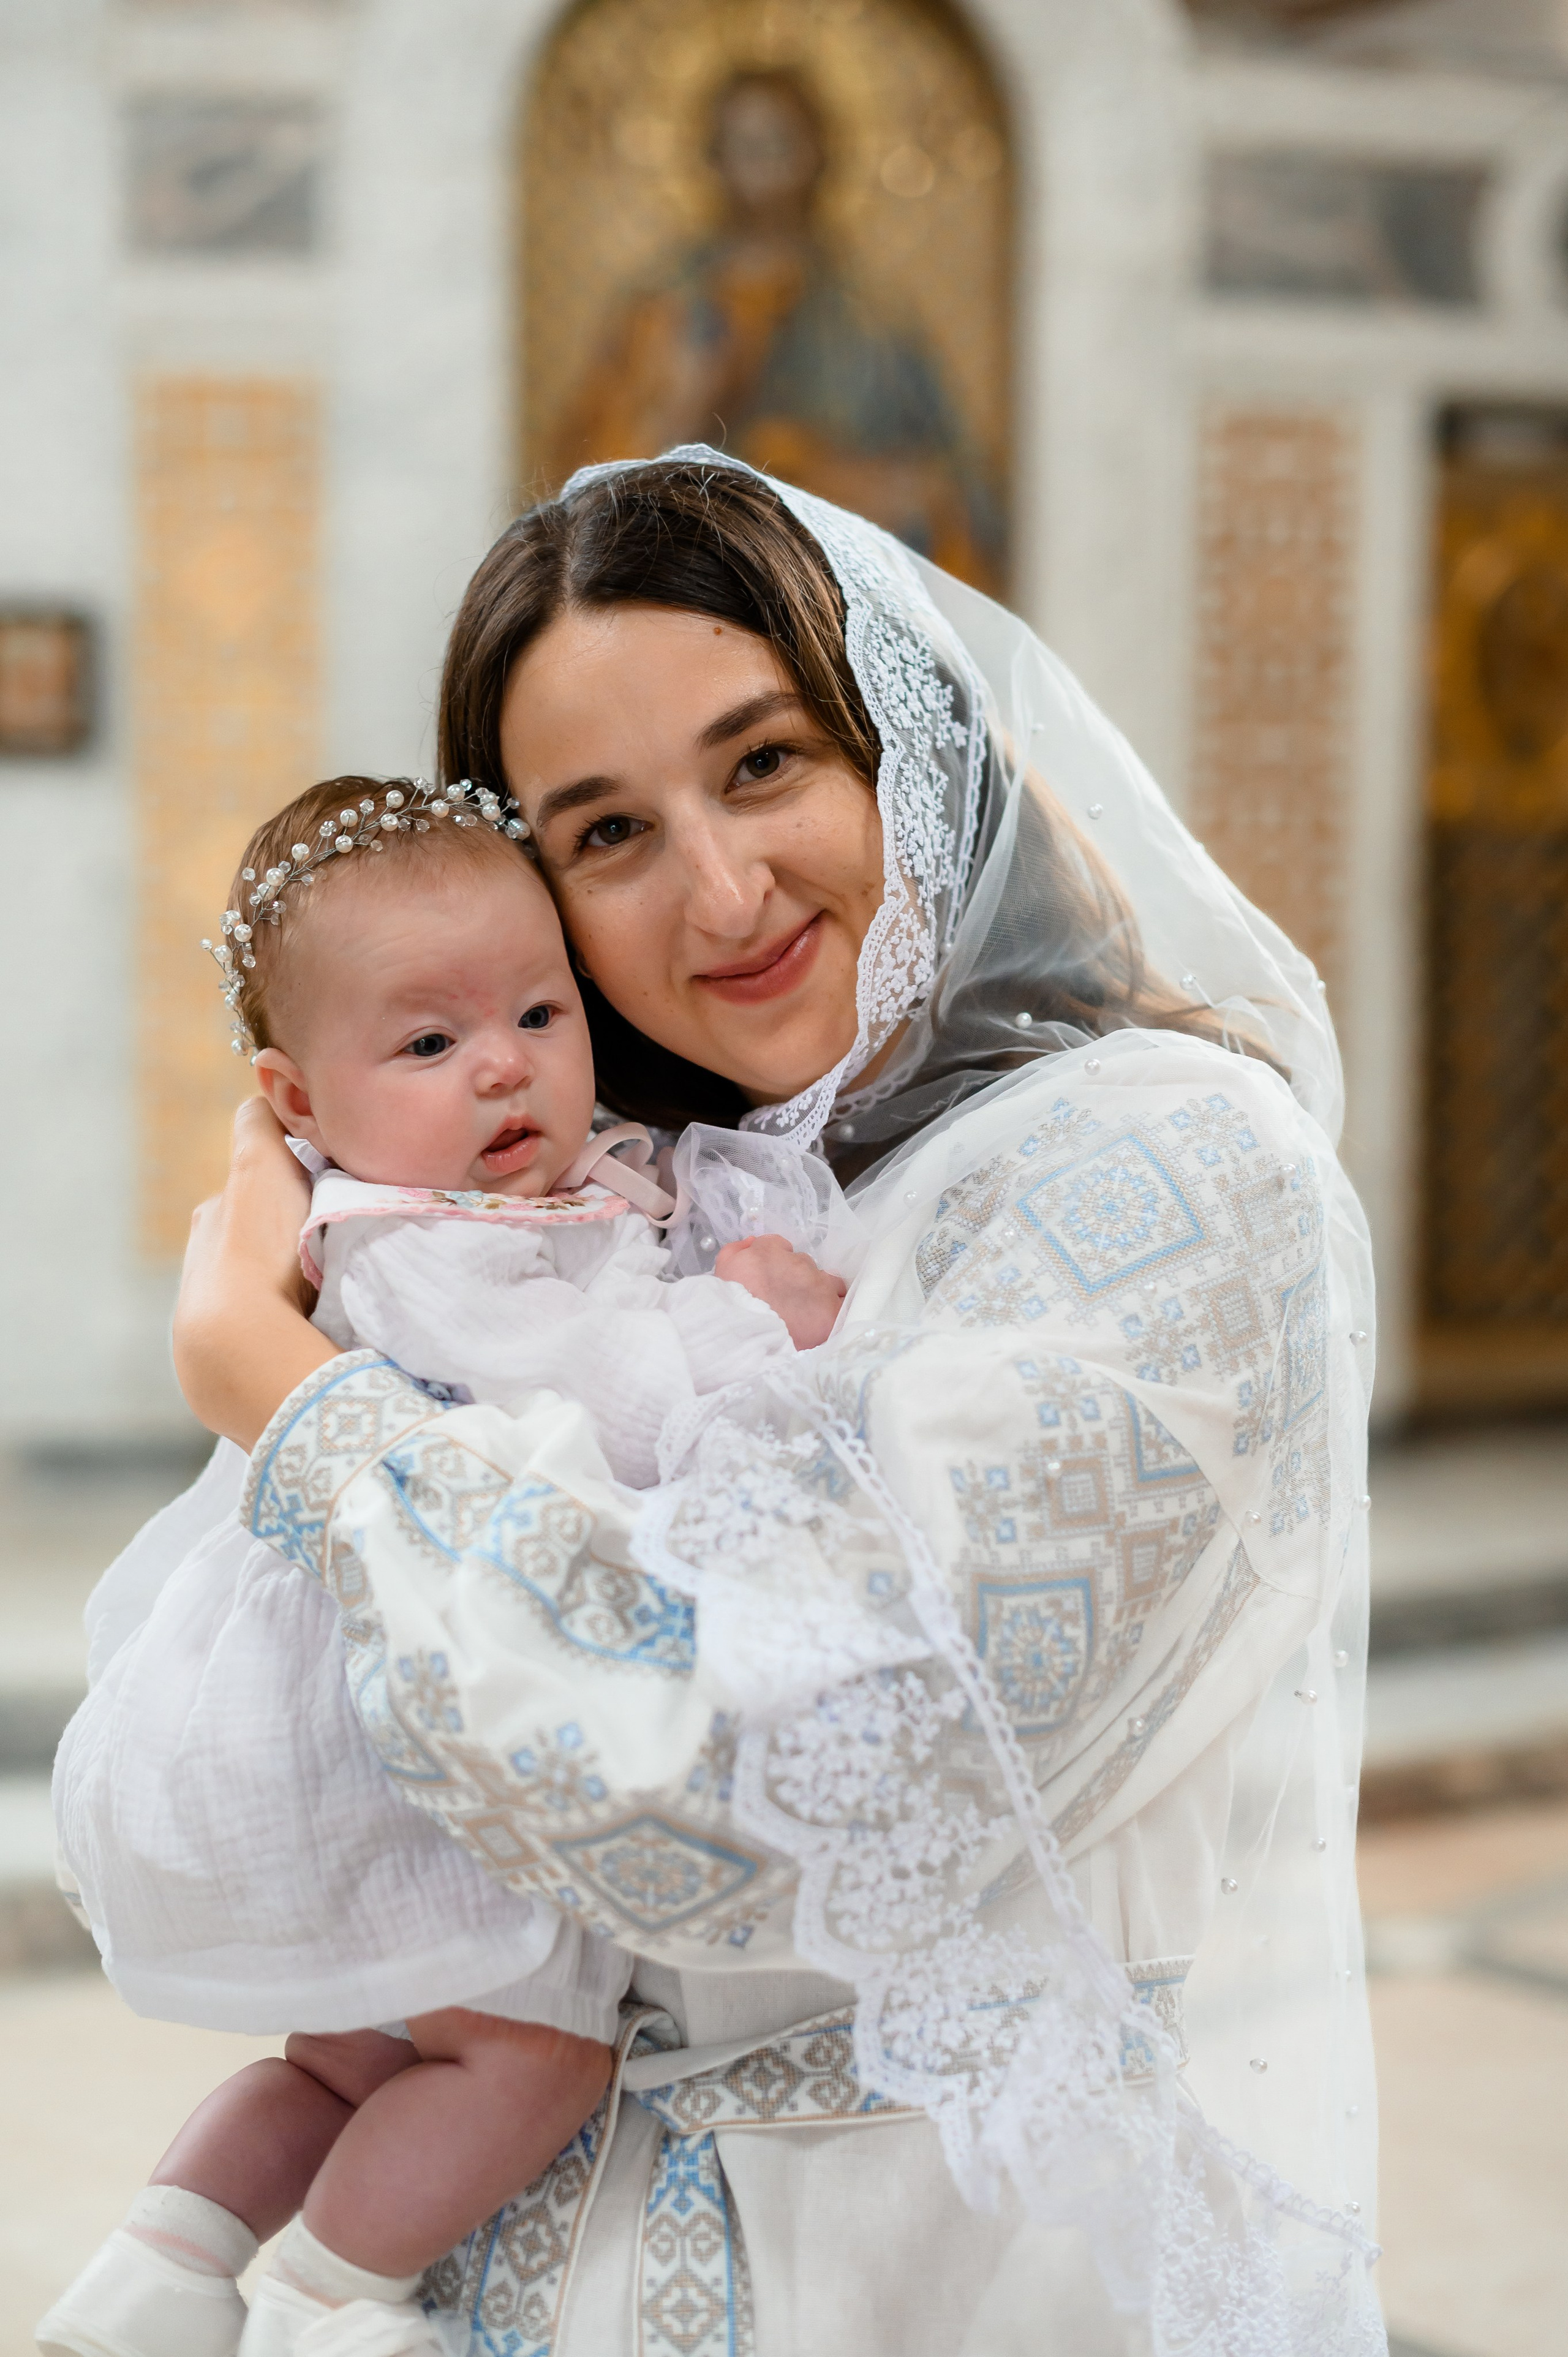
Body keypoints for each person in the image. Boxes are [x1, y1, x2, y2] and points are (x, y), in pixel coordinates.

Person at [106, 450, 1384, 2356]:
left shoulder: (1173, 1173)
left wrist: (296, 1404)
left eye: (768, 759)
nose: (720, 887)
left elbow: (746, 1786)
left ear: (908, 743)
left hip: (930, 2286)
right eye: (606, 834)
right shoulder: (660, 1200)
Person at [40, 764, 847, 2357]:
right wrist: (748, 1319)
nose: (503, 1067)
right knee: (531, 2061)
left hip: (341, 1732)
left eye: (539, 1015)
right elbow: (597, 1409)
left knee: (338, 2066)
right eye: (427, 1043)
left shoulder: (423, 1206)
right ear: (292, 1098)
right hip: (414, 1744)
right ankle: (333, 2299)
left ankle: (157, 2269)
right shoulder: (426, 1247)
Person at [553, 67, 1003, 588]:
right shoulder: (667, 308)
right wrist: (688, 404)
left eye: (781, 142)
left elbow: (959, 484)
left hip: (838, 584)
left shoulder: (871, 318)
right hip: (698, 582)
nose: (764, 164)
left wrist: (889, 485)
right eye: (745, 144)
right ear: (713, 159)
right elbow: (588, 489)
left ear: (819, 154)